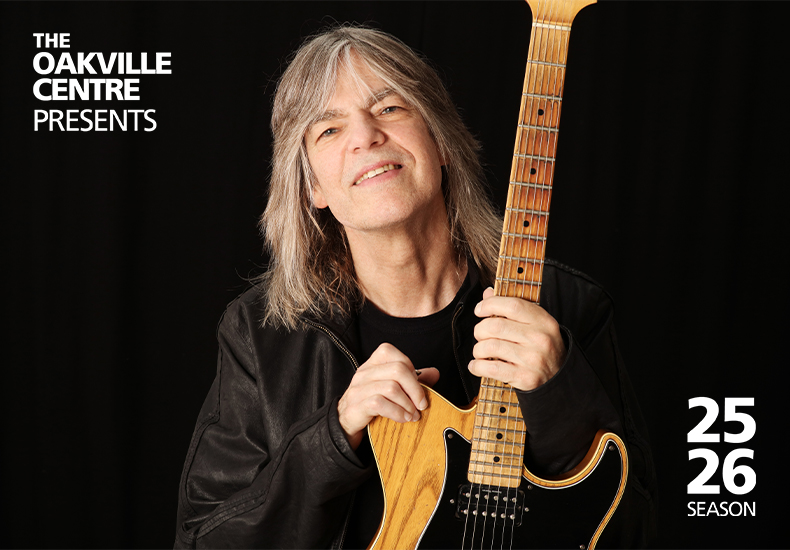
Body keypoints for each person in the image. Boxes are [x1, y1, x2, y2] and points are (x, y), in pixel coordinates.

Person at [174, 25, 656, 549]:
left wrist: (558, 395)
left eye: (389, 109)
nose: (365, 136)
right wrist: (335, 437)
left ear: (441, 142)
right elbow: (203, 540)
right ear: (313, 187)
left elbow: (637, 531)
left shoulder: (568, 307)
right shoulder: (261, 334)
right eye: (328, 130)